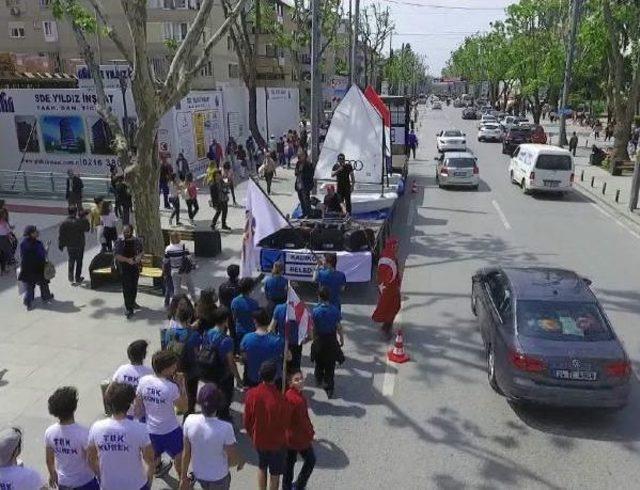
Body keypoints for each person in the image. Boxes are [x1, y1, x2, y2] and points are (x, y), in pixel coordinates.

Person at [88, 382, 155, 490]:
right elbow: (150, 460)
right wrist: (148, 480)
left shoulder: (96, 427)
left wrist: (101, 476)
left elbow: (91, 458)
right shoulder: (140, 429)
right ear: (129, 404)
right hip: (136, 485)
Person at [180, 384, 244, 490]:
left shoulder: (189, 420)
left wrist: (183, 478)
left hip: (198, 473)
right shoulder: (226, 428)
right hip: (219, 477)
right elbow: (232, 459)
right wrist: (239, 461)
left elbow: (186, 453)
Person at [135, 350, 188, 479]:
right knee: (179, 458)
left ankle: (158, 470)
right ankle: (183, 481)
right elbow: (184, 407)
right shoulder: (171, 387)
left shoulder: (143, 381)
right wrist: (182, 386)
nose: (176, 367)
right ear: (166, 369)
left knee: (153, 458)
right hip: (171, 430)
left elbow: (138, 408)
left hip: (150, 430)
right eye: (174, 365)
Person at [243, 360, 290, 490]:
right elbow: (286, 422)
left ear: (260, 374)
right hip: (277, 443)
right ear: (275, 376)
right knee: (275, 474)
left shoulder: (251, 394)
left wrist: (252, 434)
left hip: (259, 440)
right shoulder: (281, 399)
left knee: (262, 467)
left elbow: (247, 420)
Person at [45, 386, 99, 490]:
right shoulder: (84, 433)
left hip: (64, 482)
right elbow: (91, 460)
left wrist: (52, 474)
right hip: (85, 482)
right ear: (74, 407)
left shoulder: (50, 432)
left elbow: (49, 460)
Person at [199, 307, 243, 422]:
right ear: (225, 320)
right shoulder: (226, 340)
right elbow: (230, 362)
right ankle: (223, 417)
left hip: (208, 370)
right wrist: (238, 378)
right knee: (225, 396)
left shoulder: (207, 333)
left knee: (213, 393)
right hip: (222, 374)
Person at [163, 303, 202, 418]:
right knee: (191, 393)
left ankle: (179, 407)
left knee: (177, 389)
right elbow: (196, 353)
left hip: (174, 368)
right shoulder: (194, 335)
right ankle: (188, 414)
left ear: (177, 317)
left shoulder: (169, 332)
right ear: (190, 318)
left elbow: (166, 348)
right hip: (190, 370)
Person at [283, 369, 316, 490]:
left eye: (301, 378)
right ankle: (300, 485)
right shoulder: (296, 399)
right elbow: (303, 421)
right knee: (310, 460)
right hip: (298, 438)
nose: (300, 381)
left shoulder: (292, 395)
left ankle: (287, 487)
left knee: (289, 464)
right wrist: (310, 433)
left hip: (291, 437)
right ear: (290, 383)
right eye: (296, 380)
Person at [311, 287, 344, 399]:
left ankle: (318, 378)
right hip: (331, 341)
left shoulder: (315, 311)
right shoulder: (335, 310)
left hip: (319, 340)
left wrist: (312, 339)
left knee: (319, 362)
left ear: (319, 297)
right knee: (330, 365)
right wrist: (342, 338)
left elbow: (313, 328)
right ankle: (329, 388)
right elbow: (339, 326)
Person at [240, 309, 287, 388]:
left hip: (253, 378)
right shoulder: (278, 340)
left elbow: (244, 358)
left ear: (255, 321)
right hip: (273, 380)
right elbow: (288, 357)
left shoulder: (246, 338)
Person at [112, 339, 153, 420]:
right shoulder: (149, 373)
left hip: (124, 413)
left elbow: (112, 388)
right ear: (144, 355)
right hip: (142, 414)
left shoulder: (121, 370)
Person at [372, 236, 402, 339]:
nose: (397, 248)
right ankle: (386, 328)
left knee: (390, 307)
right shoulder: (389, 259)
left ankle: (386, 326)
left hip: (388, 288)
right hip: (390, 289)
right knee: (392, 307)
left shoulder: (387, 255)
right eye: (396, 246)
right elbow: (387, 276)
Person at [19, 225, 53, 310]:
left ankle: (28, 301)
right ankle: (46, 297)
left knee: (30, 286)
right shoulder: (38, 244)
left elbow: (21, 256)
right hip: (38, 267)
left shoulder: (23, 243)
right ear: (31, 234)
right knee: (43, 283)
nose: (37, 232)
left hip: (27, 268)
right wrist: (47, 246)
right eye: (35, 231)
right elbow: (44, 254)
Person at [114, 224, 144, 319]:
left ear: (131, 231)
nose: (125, 233)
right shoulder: (120, 241)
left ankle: (133, 302)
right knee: (127, 288)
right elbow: (117, 255)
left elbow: (141, 251)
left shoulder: (136, 240)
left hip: (134, 266)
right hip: (124, 267)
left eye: (127, 231)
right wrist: (128, 260)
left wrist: (138, 258)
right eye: (124, 231)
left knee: (134, 286)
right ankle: (128, 308)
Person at [58, 206, 90, 285]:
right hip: (79, 244)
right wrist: (85, 218)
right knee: (79, 261)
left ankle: (70, 277)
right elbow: (87, 229)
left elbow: (61, 235)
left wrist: (61, 244)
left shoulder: (64, 223)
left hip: (70, 245)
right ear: (76, 212)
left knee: (71, 260)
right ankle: (77, 277)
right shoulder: (80, 221)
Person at [270, 300, 303, 371]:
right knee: (295, 369)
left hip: (282, 343)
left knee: (282, 368)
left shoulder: (278, 308)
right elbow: (308, 333)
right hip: (296, 344)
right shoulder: (301, 310)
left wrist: (276, 339)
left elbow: (271, 329)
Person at [230, 278, 260, 353]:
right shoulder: (254, 303)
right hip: (251, 331)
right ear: (250, 289)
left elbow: (234, 317)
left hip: (239, 331)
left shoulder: (234, 301)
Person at [164, 232, 196, 299]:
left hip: (174, 271)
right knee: (190, 286)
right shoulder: (183, 247)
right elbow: (189, 258)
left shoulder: (168, 249)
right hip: (184, 270)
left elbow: (166, 261)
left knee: (176, 288)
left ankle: (176, 303)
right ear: (179, 238)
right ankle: (195, 301)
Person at [294, 150, 314, 218]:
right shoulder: (298, 163)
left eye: (301, 155)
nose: (300, 156)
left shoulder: (309, 164)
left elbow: (310, 174)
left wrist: (302, 171)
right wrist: (298, 170)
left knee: (306, 200)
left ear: (305, 156)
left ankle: (309, 214)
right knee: (301, 200)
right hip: (299, 184)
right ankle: (304, 213)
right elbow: (296, 173)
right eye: (299, 155)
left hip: (305, 185)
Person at [0, 207, 14, 275]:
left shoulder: (4, 222)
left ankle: (3, 269)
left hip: (4, 238)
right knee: (6, 253)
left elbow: (7, 231)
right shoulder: (4, 223)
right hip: (3, 239)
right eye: (4, 214)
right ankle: (10, 263)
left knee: (3, 255)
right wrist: (11, 237)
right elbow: (8, 231)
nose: (5, 215)